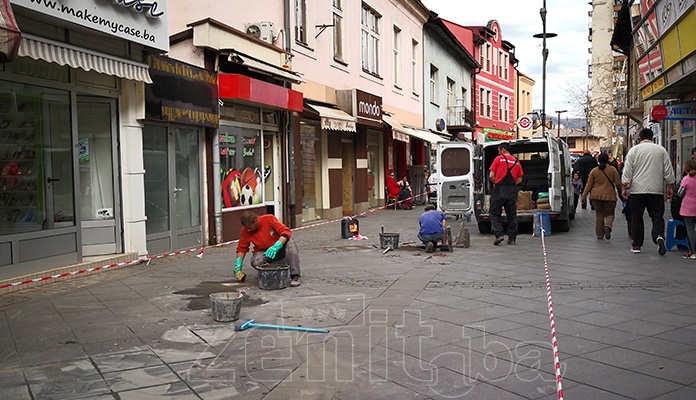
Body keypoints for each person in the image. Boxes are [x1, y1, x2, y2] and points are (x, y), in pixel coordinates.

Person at [621, 128, 675, 255]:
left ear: (640, 138)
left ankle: (636, 245)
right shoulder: (661, 150)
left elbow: (627, 170)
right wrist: (670, 186)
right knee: (657, 216)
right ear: (652, 138)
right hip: (656, 190)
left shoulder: (634, 150)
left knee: (637, 217)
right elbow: (668, 170)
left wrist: (624, 187)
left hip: (637, 190)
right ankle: (659, 236)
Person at [235, 211, 301, 287]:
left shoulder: (269, 219)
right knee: (255, 262)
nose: (248, 230)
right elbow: (242, 248)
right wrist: (238, 264)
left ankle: (295, 276)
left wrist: (277, 245)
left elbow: (285, 232)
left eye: (250, 228)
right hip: (263, 251)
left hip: (279, 247)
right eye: (246, 229)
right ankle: (270, 270)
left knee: (290, 245)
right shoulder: (245, 231)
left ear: (256, 221)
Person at [489, 142, 524, 245]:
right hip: (511, 190)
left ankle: (499, 234)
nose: (498, 153)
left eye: (499, 151)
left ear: (503, 150)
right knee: (512, 215)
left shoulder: (498, 159)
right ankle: (512, 238)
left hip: (499, 189)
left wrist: (496, 182)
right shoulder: (516, 161)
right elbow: (519, 179)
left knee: (494, 213)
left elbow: (491, 175)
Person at [581, 152, 623, 240]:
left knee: (599, 215)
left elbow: (588, 185)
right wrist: (621, 192)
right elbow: (618, 183)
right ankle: (608, 226)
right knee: (609, 214)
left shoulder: (594, 171)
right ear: (608, 160)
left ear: (598, 160)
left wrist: (583, 197)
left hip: (596, 197)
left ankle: (600, 235)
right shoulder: (613, 170)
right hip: (610, 197)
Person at [679, 160, 696, 259]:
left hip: (688, 207)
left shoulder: (686, 179)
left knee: (689, 229)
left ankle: (692, 251)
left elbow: (680, 193)